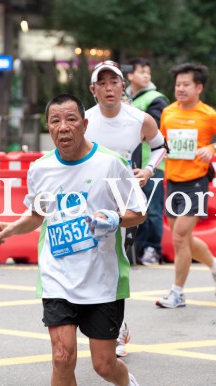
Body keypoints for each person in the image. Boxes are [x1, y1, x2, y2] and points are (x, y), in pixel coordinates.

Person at [0, 94, 148, 386]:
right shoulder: (40, 169)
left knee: (103, 365)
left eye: (71, 119)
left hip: (102, 280)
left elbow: (138, 213)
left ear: (85, 124)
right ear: (48, 128)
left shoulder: (111, 164)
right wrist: (10, 229)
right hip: (58, 276)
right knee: (62, 358)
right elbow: (38, 214)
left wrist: (114, 219)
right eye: (55, 121)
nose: (64, 128)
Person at [85, 60, 167, 358]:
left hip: (125, 203)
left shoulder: (140, 119)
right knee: (92, 260)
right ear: (93, 90)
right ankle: (110, 321)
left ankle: (116, 327)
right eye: (102, 84)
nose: (109, 88)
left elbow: (160, 147)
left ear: (124, 86)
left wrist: (147, 171)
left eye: (114, 83)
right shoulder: (84, 120)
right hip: (91, 200)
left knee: (115, 260)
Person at [156, 63, 216, 308]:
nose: (180, 89)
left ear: (199, 87)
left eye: (186, 84)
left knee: (180, 237)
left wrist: (212, 148)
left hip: (196, 182)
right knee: (184, 239)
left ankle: (177, 292)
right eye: (177, 84)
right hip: (173, 181)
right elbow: (162, 143)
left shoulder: (208, 115)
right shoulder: (168, 113)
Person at [125, 57, 170, 265]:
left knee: (151, 209)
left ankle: (152, 249)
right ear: (130, 75)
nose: (146, 75)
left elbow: (153, 129)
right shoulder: (124, 98)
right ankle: (138, 249)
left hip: (152, 165)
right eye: (141, 71)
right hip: (129, 166)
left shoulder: (156, 98)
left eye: (148, 72)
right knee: (135, 208)